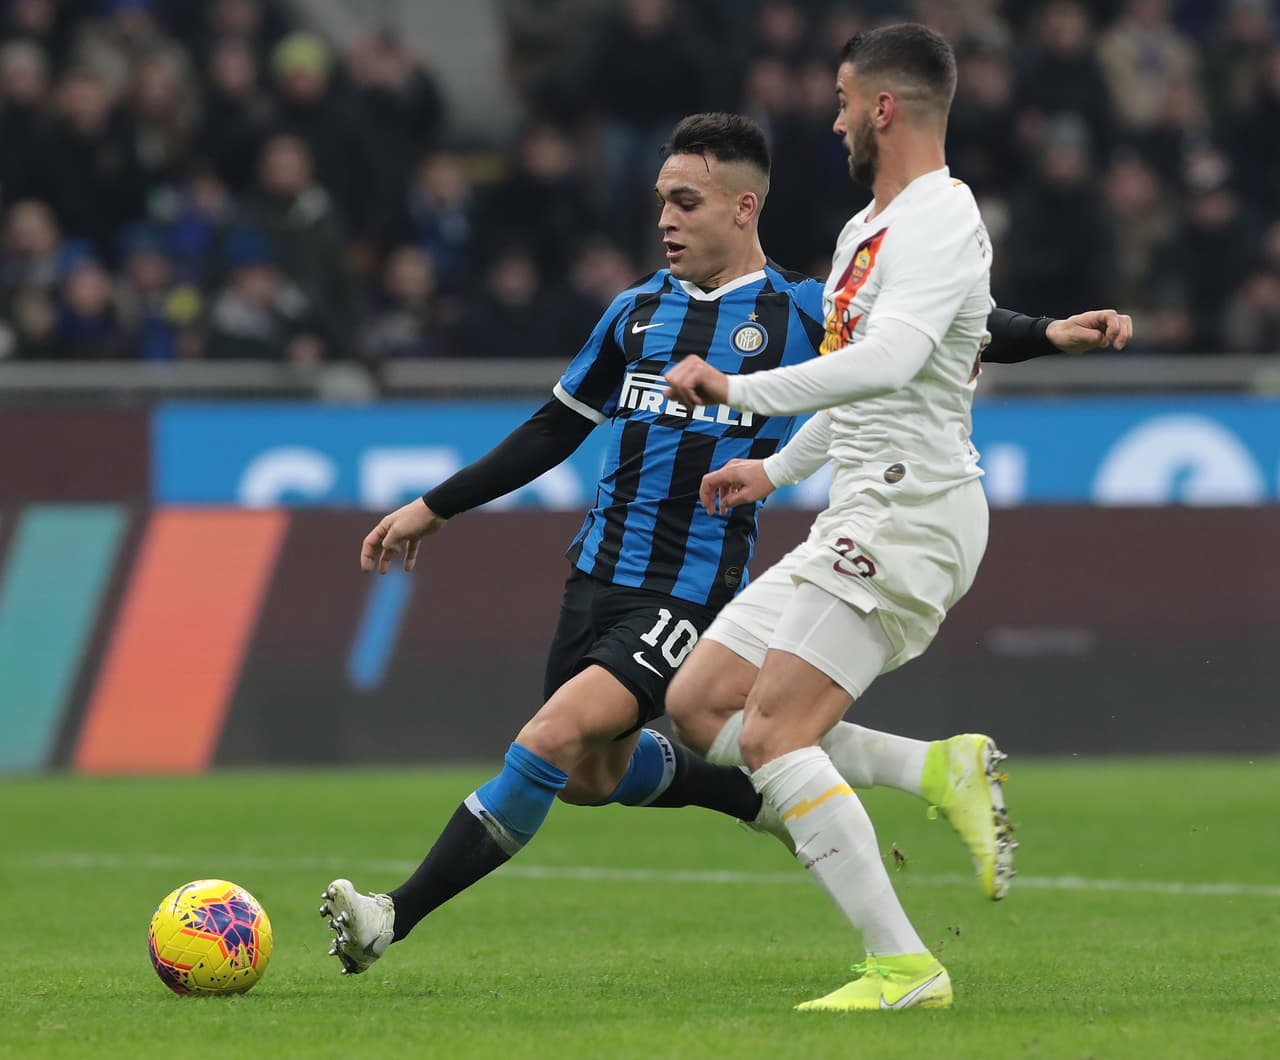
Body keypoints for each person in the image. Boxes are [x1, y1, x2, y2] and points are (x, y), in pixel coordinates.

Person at [319, 109, 1131, 980]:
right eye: (661, 202)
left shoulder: (801, 309)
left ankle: (389, 917)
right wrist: (436, 506)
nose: (665, 219)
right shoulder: (634, 312)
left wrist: (1046, 332)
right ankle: (770, 789)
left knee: (548, 739)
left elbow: (943, 332)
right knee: (593, 775)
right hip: (595, 575)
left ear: (743, 208)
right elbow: (554, 428)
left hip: (688, 589)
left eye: (686, 202)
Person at [661, 25, 1026, 1012]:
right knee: (700, 706)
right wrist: (775, 469)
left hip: (913, 510)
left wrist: (736, 387)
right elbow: (854, 385)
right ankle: (934, 767)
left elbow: (892, 362)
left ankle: (904, 966)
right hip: (857, 504)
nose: (828, 119)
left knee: (775, 732)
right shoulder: (865, 228)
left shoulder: (940, 219)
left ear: (882, 108)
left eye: (838, 101)